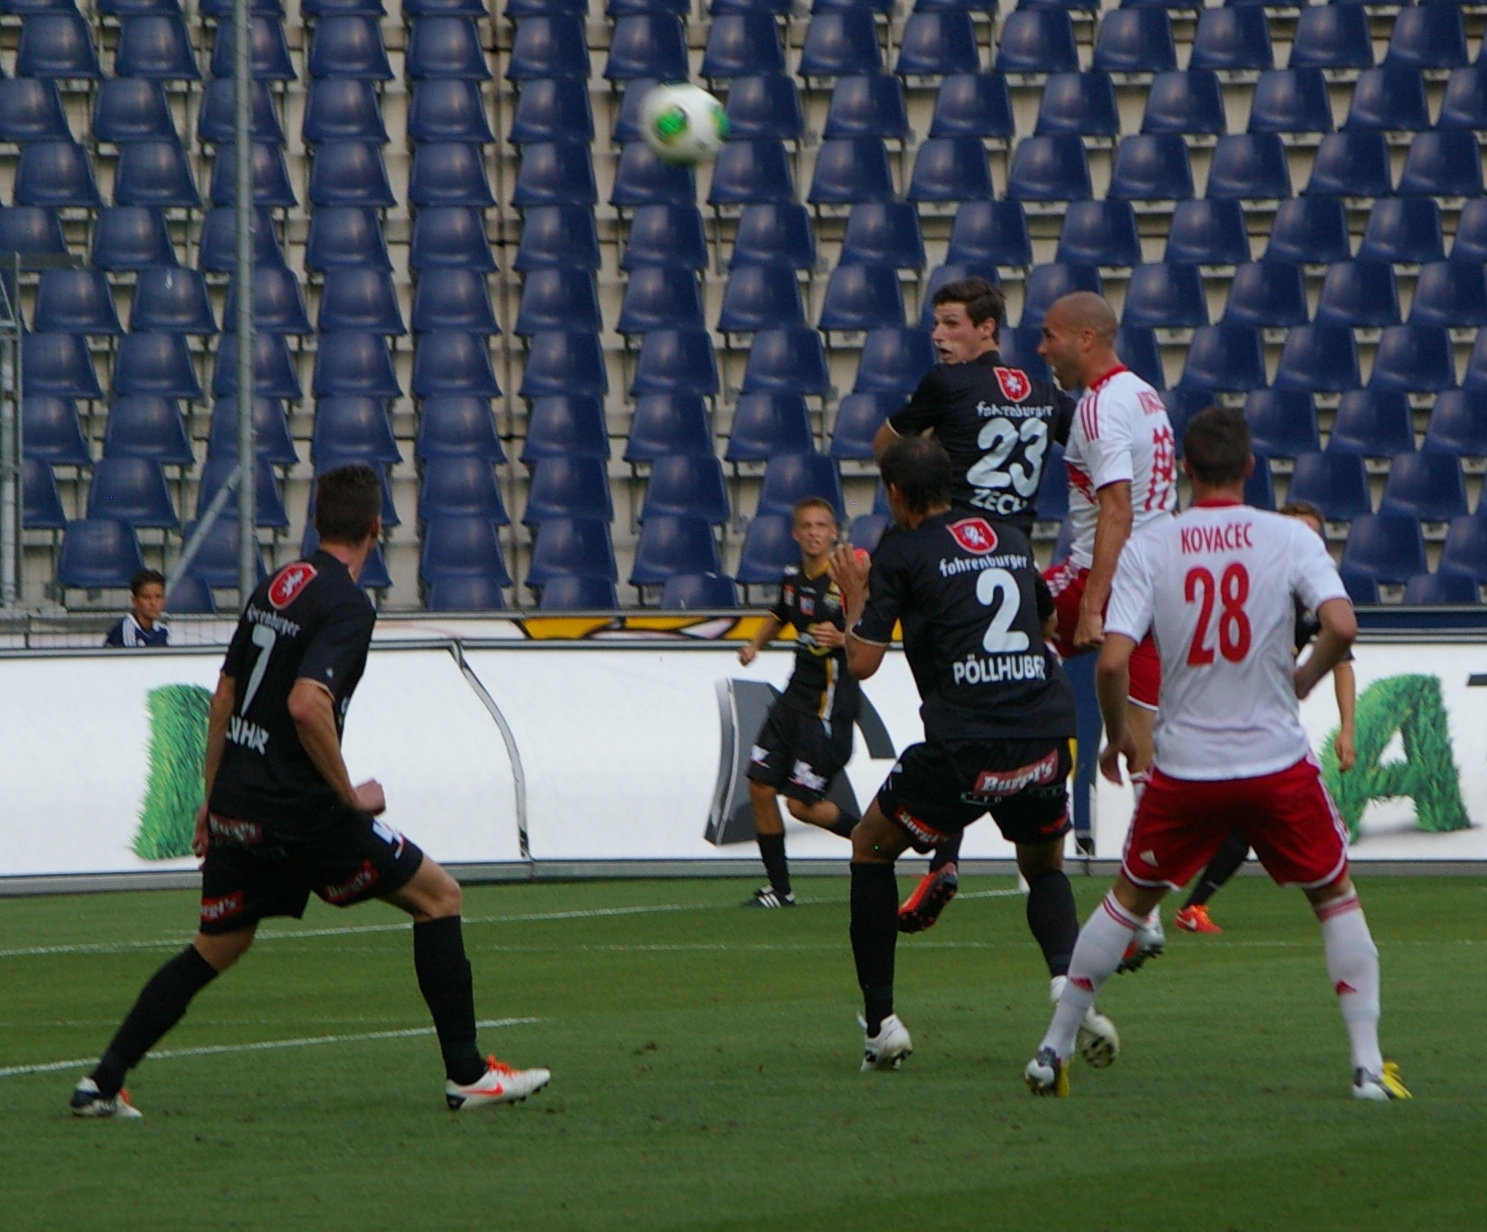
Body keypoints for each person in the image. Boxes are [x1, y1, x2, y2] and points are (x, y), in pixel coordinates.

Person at [71, 464, 549, 1118]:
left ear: (316, 523)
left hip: (241, 801)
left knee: (219, 943)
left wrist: (211, 799)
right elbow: (305, 704)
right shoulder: (348, 604)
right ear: (376, 530)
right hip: (302, 809)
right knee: (439, 896)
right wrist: (347, 794)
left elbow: (225, 699)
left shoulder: (276, 586)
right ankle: (466, 1074)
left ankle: (103, 1080)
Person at [1025, 407, 1409, 1102]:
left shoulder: (1153, 545)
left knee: (1123, 904)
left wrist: (1116, 735)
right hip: (1274, 761)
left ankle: (1052, 1050)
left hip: (1186, 765)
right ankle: (1364, 1064)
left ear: (1183, 474)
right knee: (1333, 896)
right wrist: (1302, 679)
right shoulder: (1287, 537)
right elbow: (1342, 625)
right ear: (1251, 469)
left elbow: (1112, 663)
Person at [832, 435, 1118, 1074]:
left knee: (868, 846)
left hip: (968, 741)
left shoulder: (902, 549)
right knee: (1043, 866)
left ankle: (882, 1026)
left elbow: (863, 662)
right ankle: (1067, 983)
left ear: (897, 494)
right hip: (1045, 732)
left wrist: (854, 599)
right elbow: (1045, 625)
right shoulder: (1007, 537)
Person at [872, 276, 1076, 931]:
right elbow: (1088, 447)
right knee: (1008, 692)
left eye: (952, 323)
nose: (938, 336)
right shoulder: (1045, 393)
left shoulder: (948, 386)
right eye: (937, 323)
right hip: (1015, 555)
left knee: (947, 699)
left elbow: (887, 449)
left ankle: (940, 854)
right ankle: (957, 854)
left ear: (987, 328)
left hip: (948, 554)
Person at [1037, 291, 1177, 970]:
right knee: (1142, 750)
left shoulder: (1096, 407)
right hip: (1160, 580)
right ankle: (1144, 912)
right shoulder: (1146, 396)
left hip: (1113, 576)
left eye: (1050, 337)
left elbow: (1115, 510)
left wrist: (1092, 603)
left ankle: (994, 843)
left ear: (1086, 338)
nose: (1043, 349)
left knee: (1001, 638)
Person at [1174, 498, 1359, 934]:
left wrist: (1347, 727)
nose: (1303, 541)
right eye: (1296, 531)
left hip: (1262, 731)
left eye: (1312, 534)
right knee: (1249, 826)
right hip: (1225, 724)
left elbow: (1342, 658)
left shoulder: (1314, 598)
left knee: (1241, 828)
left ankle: (1180, 908)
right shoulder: (1249, 585)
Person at [736, 497, 862, 908]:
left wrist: (844, 639)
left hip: (827, 708)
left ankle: (877, 842)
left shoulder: (847, 581)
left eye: (821, 525)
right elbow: (779, 613)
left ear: (833, 533)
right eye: (806, 525)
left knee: (801, 806)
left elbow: (877, 633)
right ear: (795, 533)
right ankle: (780, 889)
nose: (813, 532)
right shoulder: (792, 579)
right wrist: (754, 645)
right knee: (758, 786)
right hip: (793, 699)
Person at [104, 568, 169, 647]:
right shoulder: (127, 630)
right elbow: (130, 659)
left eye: (158, 597)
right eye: (147, 597)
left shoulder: (162, 631)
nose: (153, 603)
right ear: (135, 601)